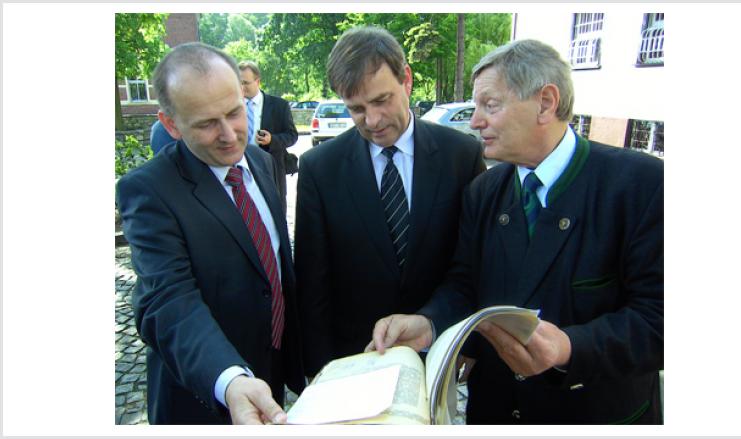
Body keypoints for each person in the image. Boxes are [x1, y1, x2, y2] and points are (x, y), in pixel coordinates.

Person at [368, 39, 663, 424]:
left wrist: (570, 347)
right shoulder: (483, 192)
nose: (475, 121)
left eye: (490, 105)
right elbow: (464, 285)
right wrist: (427, 324)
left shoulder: (640, 185)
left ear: (545, 103)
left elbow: (659, 319)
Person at [116, 42, 305, 425]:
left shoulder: (260, 160)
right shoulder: (148, 191)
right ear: (170, 124)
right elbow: (168, 302)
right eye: (205, 123)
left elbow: (276, 267)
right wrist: (230, 379)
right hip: (205, 396)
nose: (230, 134)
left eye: (235, 112)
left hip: (271, 375)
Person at [294, 26, 486, 378]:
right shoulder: (320, 168)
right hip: (352, 362)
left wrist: (464, 340)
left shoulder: (461, 155)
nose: (372, 120)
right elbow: (313, 285)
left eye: (382, 100)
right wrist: (318, 374)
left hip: (435, 355)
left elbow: (474, 265)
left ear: (407, 80)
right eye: (356, 109)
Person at [238, 60, 298, 211]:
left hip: (272, 168)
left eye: (245, 83)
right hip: (240, 169)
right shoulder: (232, 106)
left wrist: (272, 140)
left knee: (275, 212)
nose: (241, 87)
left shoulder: (279, 106)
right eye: (239, 82)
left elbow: (292, 135)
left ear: (258, 81)